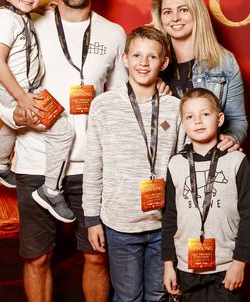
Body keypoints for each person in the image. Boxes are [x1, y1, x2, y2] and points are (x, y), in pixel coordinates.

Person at [0, 0, 128, 302]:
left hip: (92, 168)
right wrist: (12, 114)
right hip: (35, 161)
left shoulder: (114, 34)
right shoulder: (28, 22)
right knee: (38, 258)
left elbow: (120, 104)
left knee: (96, 256)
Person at [83, 26, 183, 302]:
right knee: (127, 296)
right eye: (136, 55)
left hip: (163, 224)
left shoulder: (175, 109)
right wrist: (92, 219)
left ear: (164, 63)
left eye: (152, 57)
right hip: (120, 224)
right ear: (124, 58)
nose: (143, 62)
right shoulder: (103, 105)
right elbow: (94, 165)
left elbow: (185, 168)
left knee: (158, 294)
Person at [0, 0, 76, 223]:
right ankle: (51, 191)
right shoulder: (5, 22)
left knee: (15, 124)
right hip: (15, 90)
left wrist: (45, 7)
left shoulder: (17, 16)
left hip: (19, 89)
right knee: (63, 130)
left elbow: (26, 17)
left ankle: (0, 166)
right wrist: (21, 98)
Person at [162, 88, 250, 302]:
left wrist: (240, 262)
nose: (198, 121)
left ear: (220, 118)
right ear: (183, 124)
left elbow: (249, 216)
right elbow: (169, 217)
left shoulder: (237, 161)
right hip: (186, 265)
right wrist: (169, 264)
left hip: (226, 265)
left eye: (205, 114)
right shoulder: (175, 164)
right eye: (189, 117)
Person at [151, 0, 248, 152]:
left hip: (207, 159)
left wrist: (231, 138)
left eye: (183, 10)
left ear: (197, 13)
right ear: (160, 18)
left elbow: (237, 119)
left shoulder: (224, 62)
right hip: (161, 159)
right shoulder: (151, 63)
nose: (175, 18)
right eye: (167, 12)